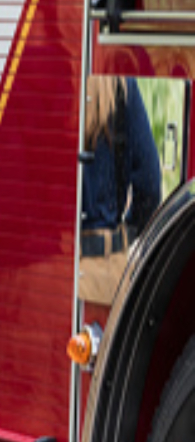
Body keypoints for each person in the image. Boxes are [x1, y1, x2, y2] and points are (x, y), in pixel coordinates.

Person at [79, 76, 161, 305]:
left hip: (42, 263)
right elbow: (150, 184)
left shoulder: (37, 71)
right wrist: (124, 236)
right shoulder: (121, 85)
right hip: (103, 268)